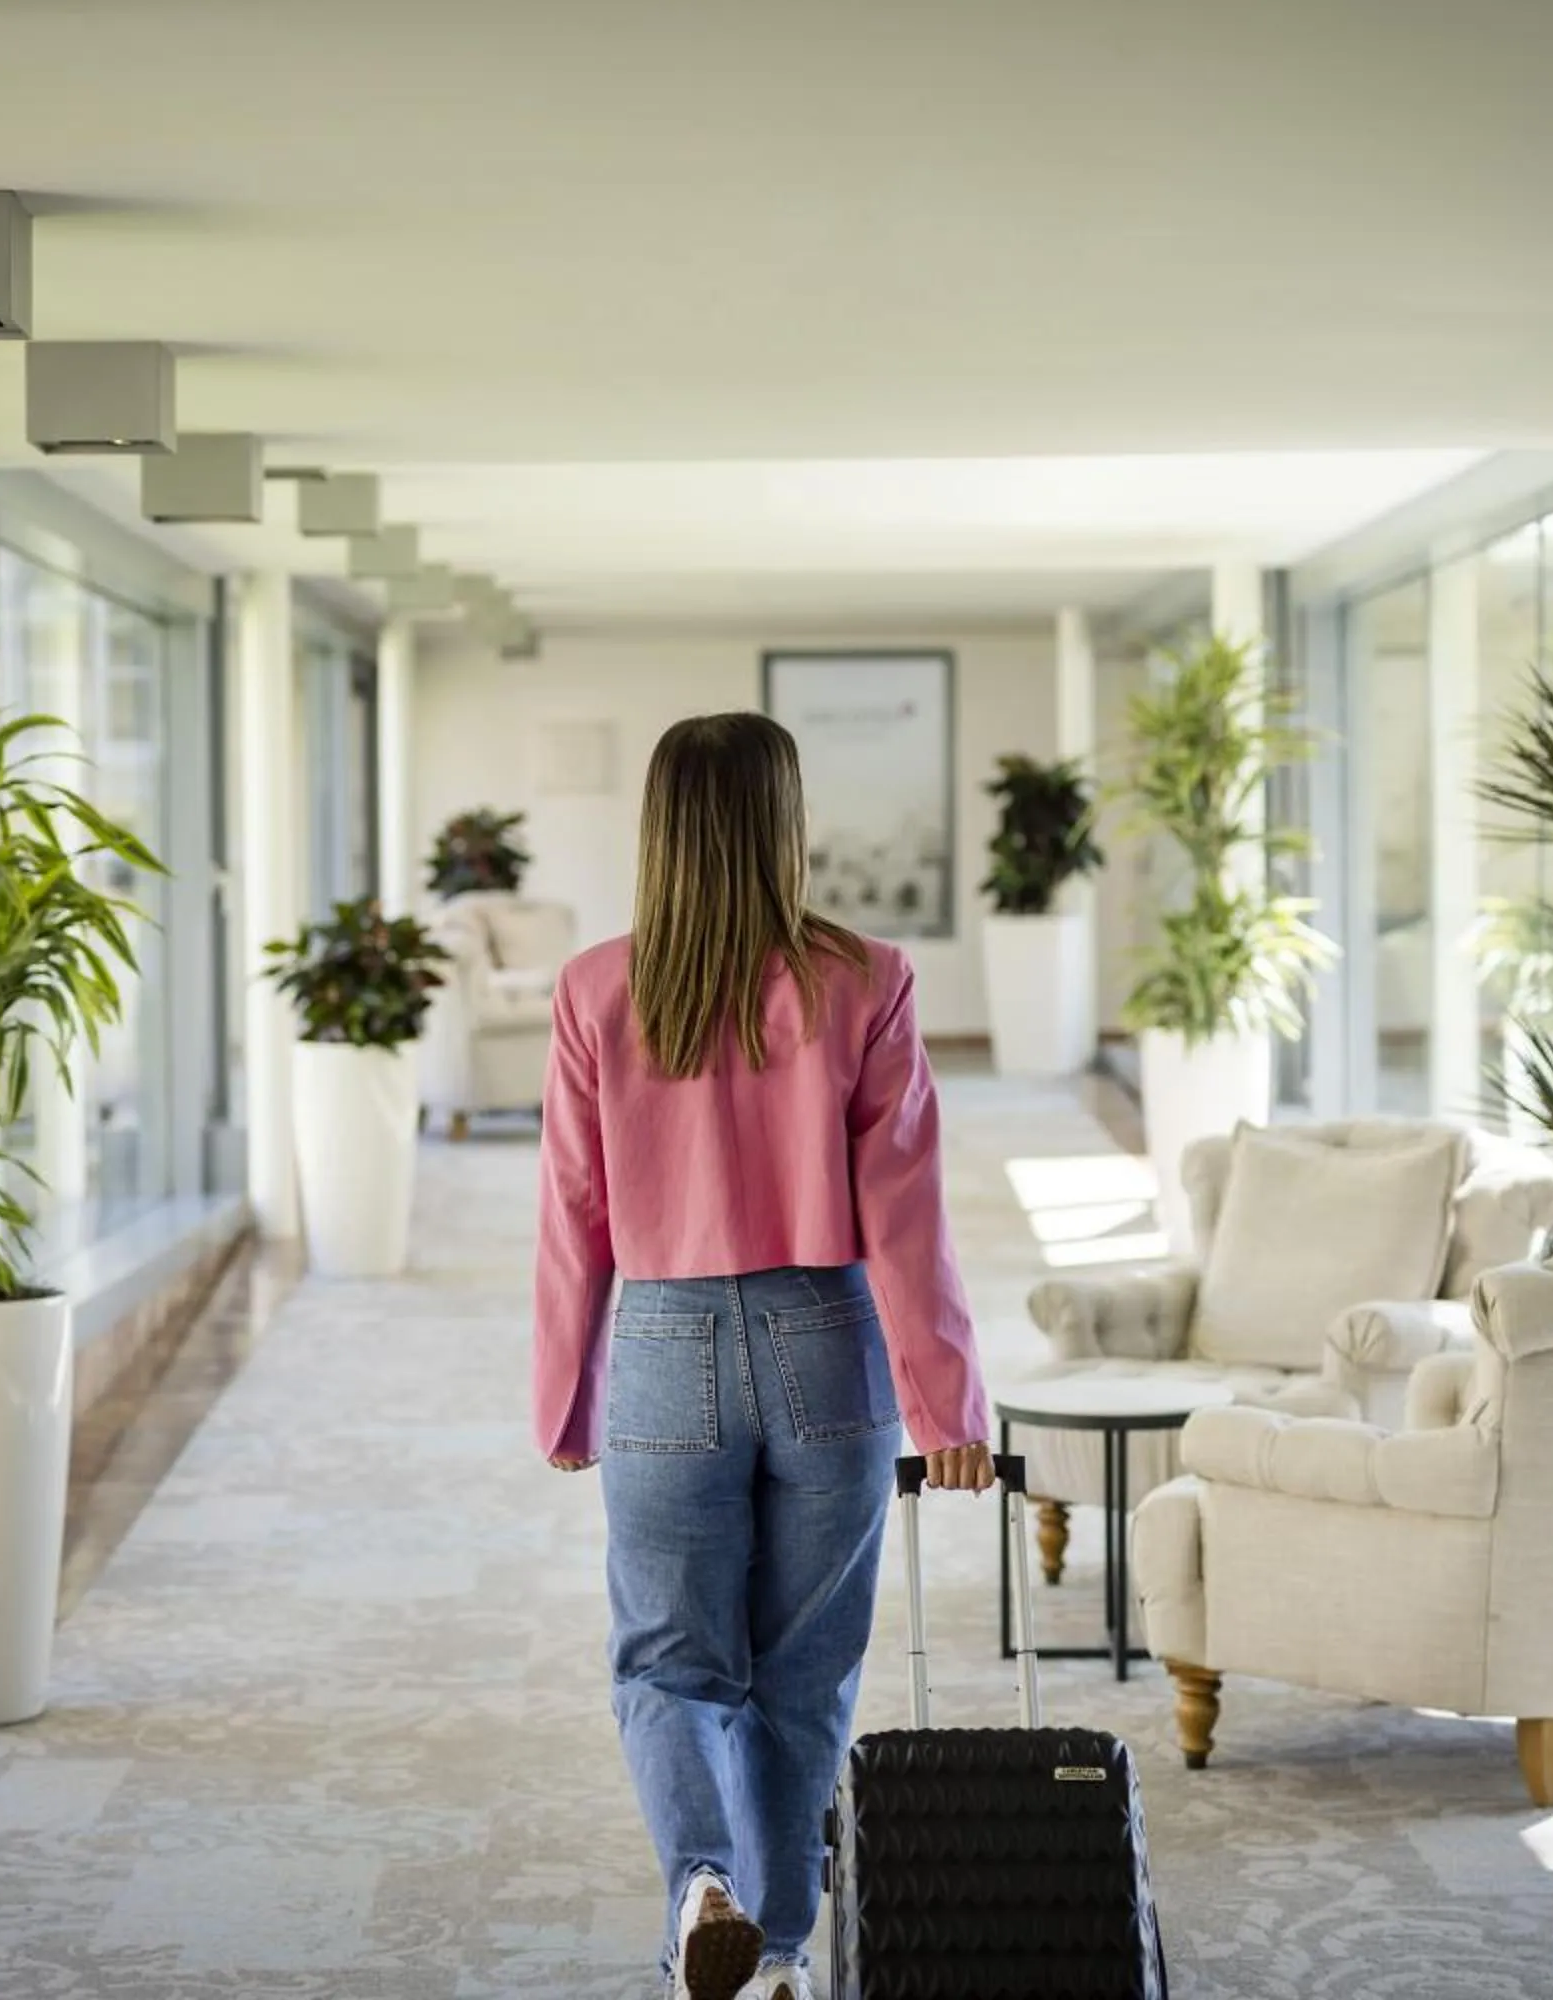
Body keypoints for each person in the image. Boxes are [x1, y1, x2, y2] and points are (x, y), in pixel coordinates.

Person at [531, 712, 993, 2000]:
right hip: (825, 1344)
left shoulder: (596, 987)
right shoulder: (869, 975)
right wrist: (946, 1408)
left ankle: (701, 1888)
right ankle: (780, 1954)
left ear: (658, 828)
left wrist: (566, 1392)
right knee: (805, 1669)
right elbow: (907, 1216)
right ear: (787, 822)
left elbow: (575, 1213)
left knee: (670, 1662)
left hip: (666, 1346)